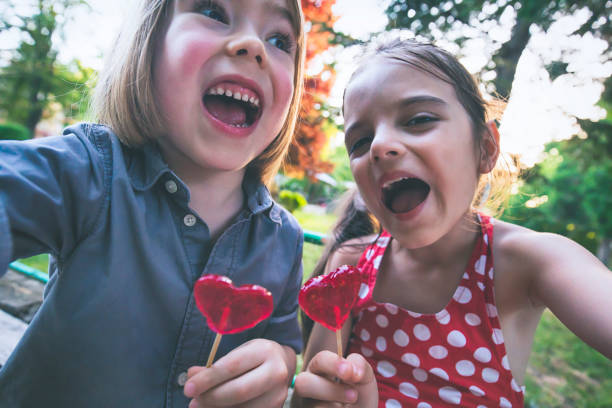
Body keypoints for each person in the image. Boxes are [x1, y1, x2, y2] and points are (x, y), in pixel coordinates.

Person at [0, 0, 306, 407]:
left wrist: (278, 364)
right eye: (214, 12)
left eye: (279, 39)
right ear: (148, 43)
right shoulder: (88, 171)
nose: (253, 45)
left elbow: (283, 347)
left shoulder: (286, 242)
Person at [291, 39, 612, 408]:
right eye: (360, 141)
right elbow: (309, 396)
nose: (379, 146)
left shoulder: (528, 261)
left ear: (486, 147)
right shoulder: (349, 267)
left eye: (418, 119)